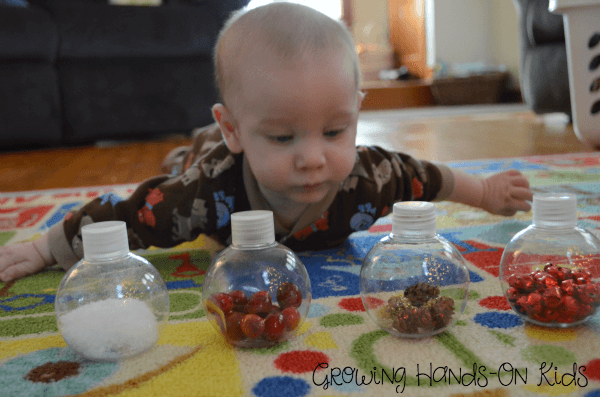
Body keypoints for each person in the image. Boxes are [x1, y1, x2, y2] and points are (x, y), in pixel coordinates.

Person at [0, 2, 533, 283]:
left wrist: (484, 193)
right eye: (282, 136)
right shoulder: (203, 195)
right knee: (188, 163)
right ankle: (201, 142)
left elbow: (428, 176)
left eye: (334, 130)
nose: (313, 157)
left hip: (230, 144)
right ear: (238, 127)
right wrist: (44, 247)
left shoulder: (368, 176)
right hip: (212, 161)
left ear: (356, 114)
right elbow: (129, 214)